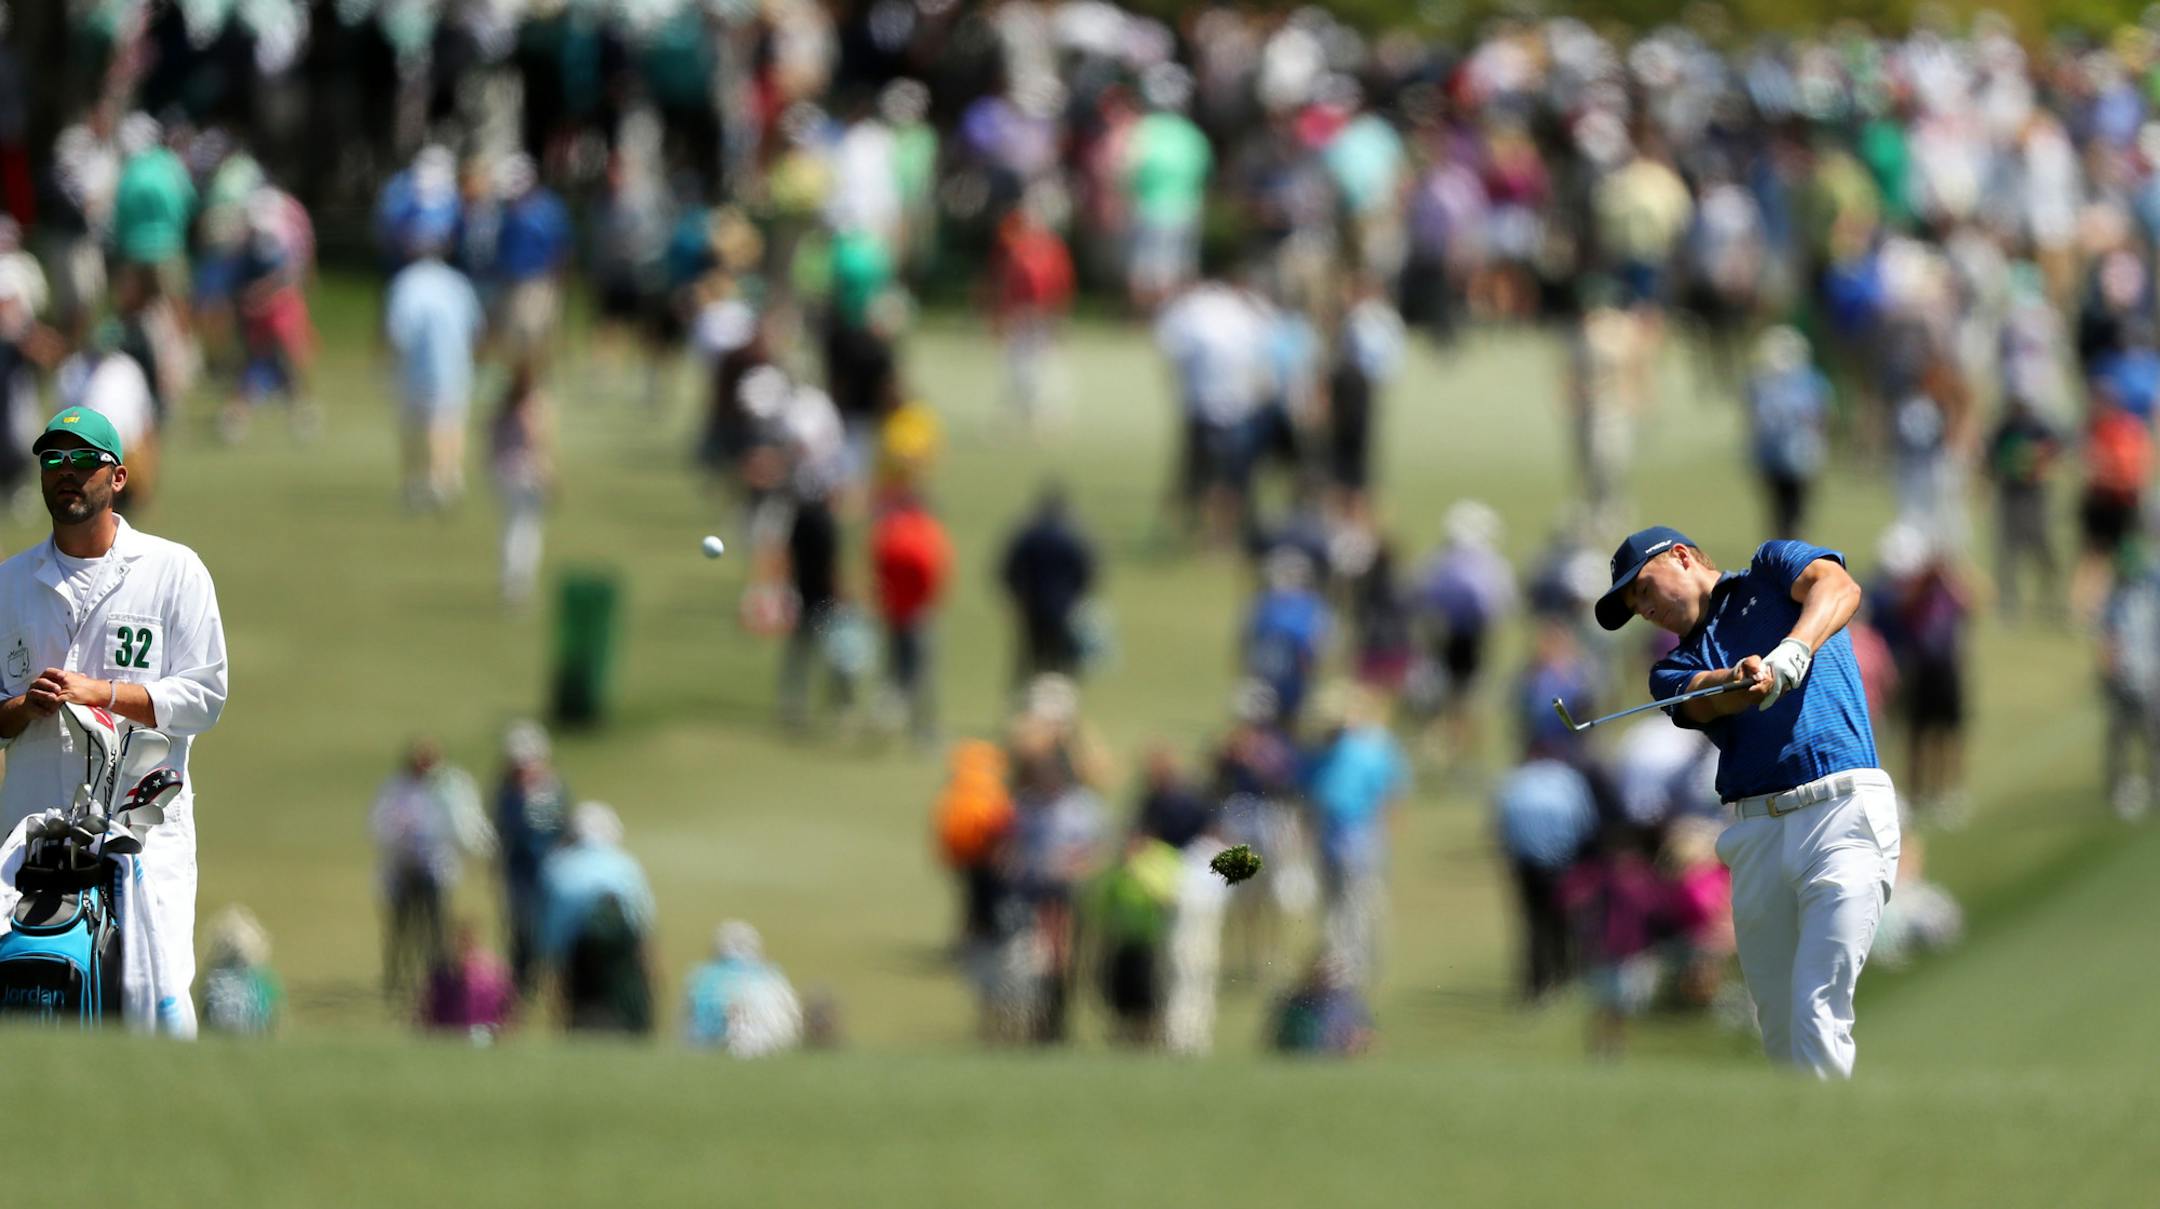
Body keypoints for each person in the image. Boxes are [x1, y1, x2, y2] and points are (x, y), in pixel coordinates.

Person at [1594, 525, 1899, 1078]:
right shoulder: (1669, 670)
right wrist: (1744, 678)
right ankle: (1803, 1149)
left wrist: (1793, 650)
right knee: (1780, 1026)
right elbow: (1712, 698)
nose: (1643, 609)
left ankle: (1834, 1152)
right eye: (1633, 604)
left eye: (1642, 589)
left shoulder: (1772, 568)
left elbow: (1839, 588)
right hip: (1756, 835)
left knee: (1817, 1004)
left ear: (1681, 557)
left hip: (1842, 812)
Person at [0, 406, 228, 1034]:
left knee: (160, 999)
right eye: (52, 460)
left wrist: (102, 692)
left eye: (80, 460)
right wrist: (27, 706)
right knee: (23, 983)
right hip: (29, 825)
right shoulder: (10, 583)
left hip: (144, 829)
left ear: (118, 477)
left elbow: (206, 696)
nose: (64, 473)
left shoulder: (172, 570)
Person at [370, 737, 493, 998]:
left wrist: (478, 852)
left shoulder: (449, 788)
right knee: (401, 929)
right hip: (403, 868)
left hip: (435, 868)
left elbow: (464, 825)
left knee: (434, 928)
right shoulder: (395, 788)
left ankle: (436, 979)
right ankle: (396, 978)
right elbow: (379, 825)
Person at [384, 236, 486, 511]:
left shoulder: (407, 282)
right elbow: (475, 326)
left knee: (416, 424)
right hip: (454, 361)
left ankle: (420, 480)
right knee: (449, 418)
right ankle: (446, 477)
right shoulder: (456, 282)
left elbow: (397, 329)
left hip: (414, 366)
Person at [539, 801, 657, 1035]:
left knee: (582, 1018)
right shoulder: (626, 865)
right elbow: (643, 917)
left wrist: (552, 964)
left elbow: (552, 925)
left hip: (578, 955)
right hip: (622, 956)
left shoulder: (558, 866)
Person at [495, 720, 568, 994]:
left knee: (547, 927)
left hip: (549, 870)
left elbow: (560, 827)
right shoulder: (507, 793)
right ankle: (522, 983)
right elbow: (504, 828)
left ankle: (547, 979)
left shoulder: (553, 790)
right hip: (518, 871)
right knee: (520, 926)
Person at [999, 486, 1097, 687]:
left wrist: (1016, 598)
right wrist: (1078, 598)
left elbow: (1008, 570)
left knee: (1031, 663)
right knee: (1063, 665)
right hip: (1064, 609)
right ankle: (1063, 710)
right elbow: (1087, 571)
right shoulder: (1073, 537)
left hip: (1033, 610)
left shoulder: (1029, 535)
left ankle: (1024, 709)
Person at [683, 920, 804, 1057]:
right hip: (778, 1043)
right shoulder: (773, 975)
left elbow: (694, 1029)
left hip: (722, 1044)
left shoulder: (703, 977)